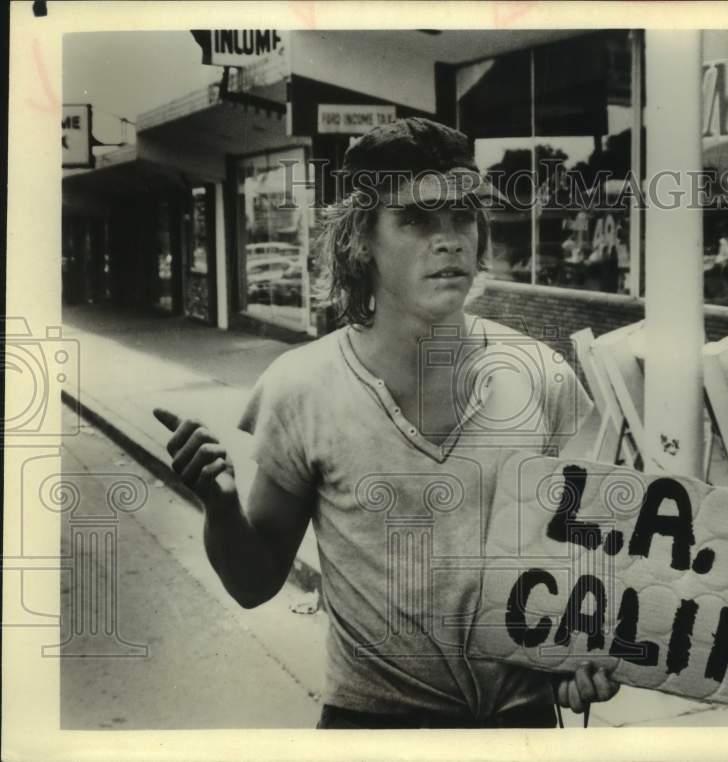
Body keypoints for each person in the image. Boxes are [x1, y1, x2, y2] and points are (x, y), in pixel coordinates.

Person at [154, 118, 620, 729]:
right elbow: (254, 582)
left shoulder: (540, 375)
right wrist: (219, 507)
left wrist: (578, 655)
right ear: (360, 241)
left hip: (520, 730)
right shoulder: (304, 385)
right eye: (418, 219)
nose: (450, 239)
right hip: (371, 730)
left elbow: (591, 555)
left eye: (463, 217)